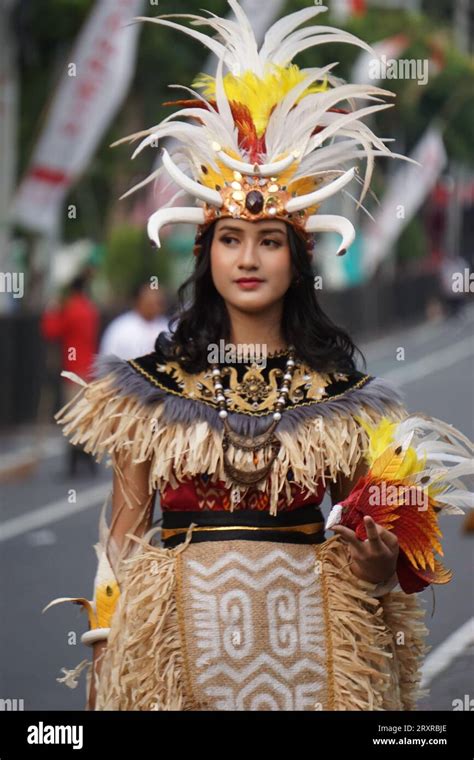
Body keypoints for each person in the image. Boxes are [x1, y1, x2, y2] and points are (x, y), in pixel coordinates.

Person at [43, 1, 473, 711]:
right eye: (231, 238)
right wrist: (105, 669)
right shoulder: (148, 395)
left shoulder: (341, 397)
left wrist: (380, 556)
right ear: (204, 249)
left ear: (296, 259)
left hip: (311, 658)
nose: (248, 258)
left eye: (269, 240)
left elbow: (377, 528)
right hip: (178, 661)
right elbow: (120, 548)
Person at [40, 271, 99, 476]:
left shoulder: (71, 309)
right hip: (88, 368)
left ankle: (76, 463)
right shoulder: (89, 308)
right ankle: (88, 460)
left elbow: (51, 330)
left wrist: (52, 310)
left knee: (74, 417)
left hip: (74, 369)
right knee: (86, 415)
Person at [99, 280, 169, 360]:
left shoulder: (166, 327)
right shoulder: (120, 328)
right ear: (138, 301)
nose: (154, 307)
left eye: (158, 302)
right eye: (150, 303)